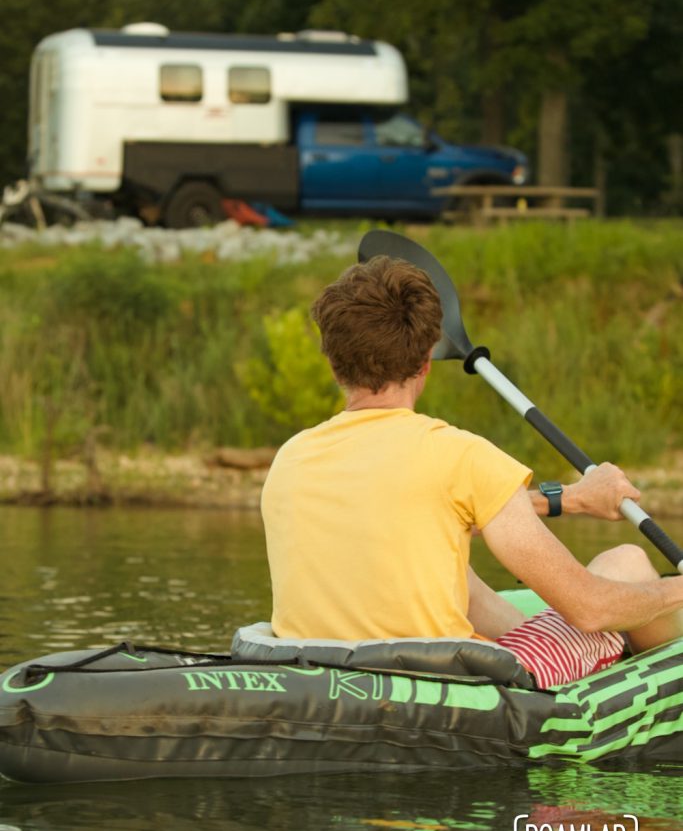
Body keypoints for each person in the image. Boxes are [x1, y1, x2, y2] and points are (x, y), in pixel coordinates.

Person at [261, 255, 683, 688]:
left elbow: (411, 514)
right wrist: (675, 591)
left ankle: (547, 638)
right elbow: (590, 608)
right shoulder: (460, 456)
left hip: (328, 675)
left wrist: (570, 499)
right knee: (627, 562)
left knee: (457, 573)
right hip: (451, 687)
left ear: (333, 363)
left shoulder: (290, 458)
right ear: (426, 361)